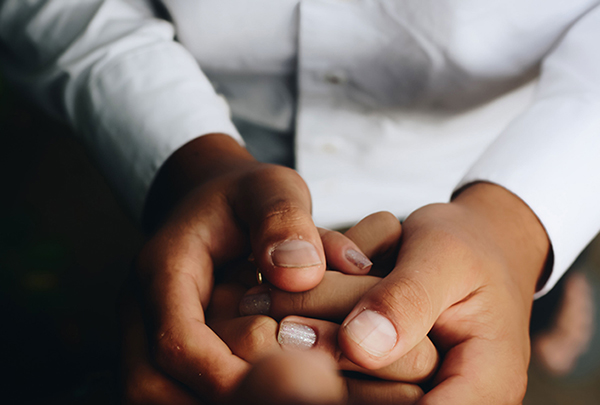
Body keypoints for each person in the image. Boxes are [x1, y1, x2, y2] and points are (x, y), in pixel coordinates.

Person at [1, 0, 600, 403]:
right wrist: (188, 163)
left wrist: (520, 223)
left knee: (511, 296)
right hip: (210, 146)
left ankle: (546, 296)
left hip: (498, 153)